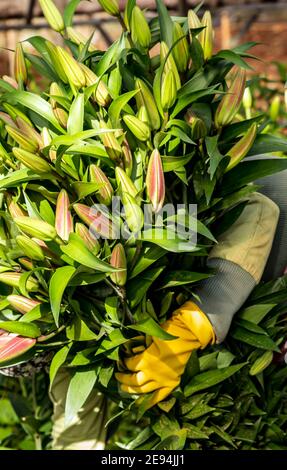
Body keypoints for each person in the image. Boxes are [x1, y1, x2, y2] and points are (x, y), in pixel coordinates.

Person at [4, 162, 287, 450]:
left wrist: (193, 324)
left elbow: (265, 203)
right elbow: (76, 422)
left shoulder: (113, 213)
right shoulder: (68, 317)